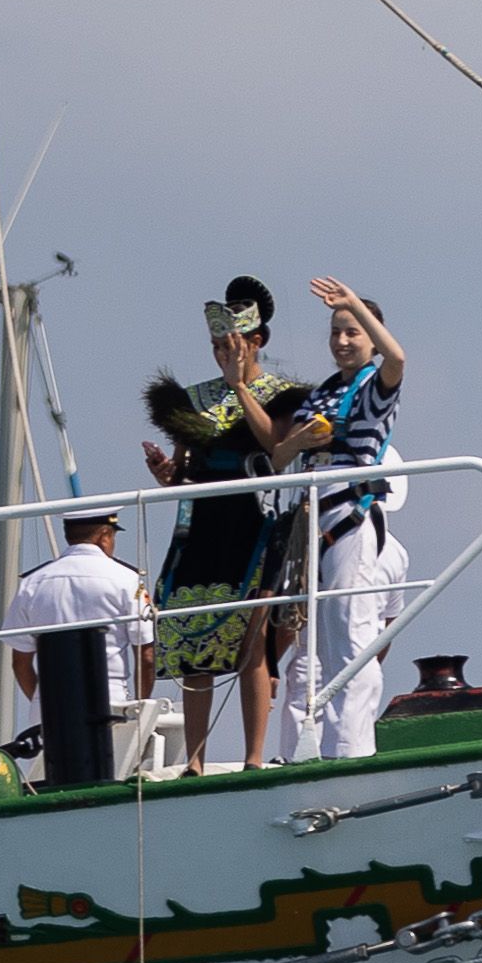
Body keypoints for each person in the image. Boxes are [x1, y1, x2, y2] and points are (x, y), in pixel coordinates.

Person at [141, 277, 305, 772]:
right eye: (216, 346)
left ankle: (254, 756)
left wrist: (239, 384)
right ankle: (194, 759)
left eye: (231, 344)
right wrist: (168, 475)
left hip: (254, 517)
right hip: (201, 522)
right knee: (193, 640)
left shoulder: (280, 392)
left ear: (256, 342)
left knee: (250, 639)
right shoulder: (192, 398)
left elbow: (274, 446)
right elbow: (186, 466)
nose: (222, 353)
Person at [239, 277, 406, 762]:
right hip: (311, 513)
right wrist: (303, 442)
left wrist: (355, 300)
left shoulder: (375, 384)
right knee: (313, 647)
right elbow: (279, 452)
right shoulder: (321, 393)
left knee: (350, 632)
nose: (342, 341)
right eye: (336, 332)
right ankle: (305, 752)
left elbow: (398, 361)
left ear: (372, 337)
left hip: (350, 510)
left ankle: (350, 749)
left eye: (353, 331)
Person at [8, 506, 156, 708]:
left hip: (49, 701)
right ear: (104, 536)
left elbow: (20, 663)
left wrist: (42, 704)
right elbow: (146, 657)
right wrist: (140, 709)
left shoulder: (32, 583)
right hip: (108, 698)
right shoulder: (126, 580)